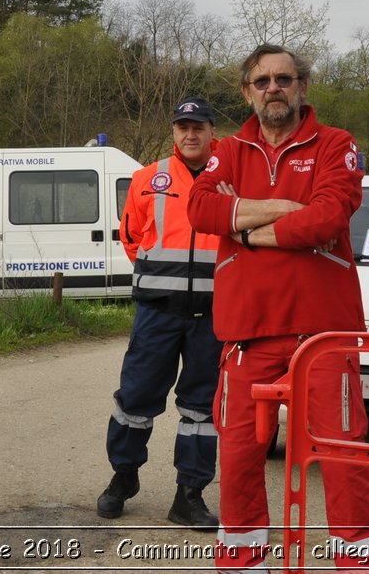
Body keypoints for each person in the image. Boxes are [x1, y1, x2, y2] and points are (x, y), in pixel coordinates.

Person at [188, 45, 369, 572]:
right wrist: (278, 207)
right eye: (262, 81)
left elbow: (326, 217)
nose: (273, 88)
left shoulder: (336, 144)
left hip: (322, 336)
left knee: (342, 459)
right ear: (246, 92)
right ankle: (244, 561)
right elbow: (200, 208)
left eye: (284, 78)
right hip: (246, 335)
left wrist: (246, 231)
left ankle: (361, 562)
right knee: (236, 460)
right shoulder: (228, 149)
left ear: (302, 86)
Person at [97, 97, 223, 532]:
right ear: (173, 132)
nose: (191, 134)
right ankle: (123, 477)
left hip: (214, 315)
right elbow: (132, 236)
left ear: (212, 132)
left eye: (199, 127)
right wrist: (158, 276)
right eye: (183, 127)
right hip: (157, 312)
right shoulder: (146, 178)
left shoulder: (230, 178)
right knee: (134, 400)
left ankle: (189, 495)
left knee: (202, 410)